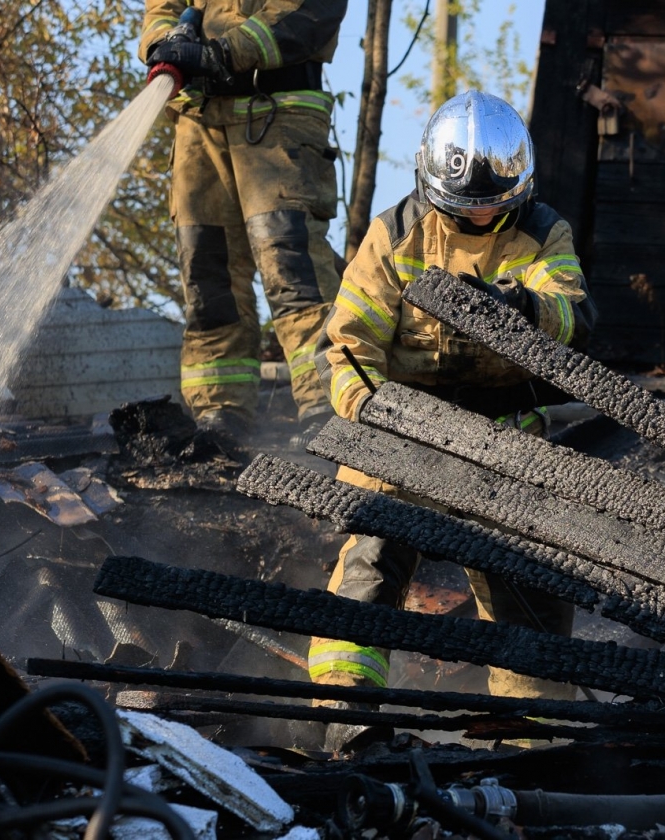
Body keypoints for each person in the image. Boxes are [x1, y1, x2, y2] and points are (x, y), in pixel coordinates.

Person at [307, 91, 599, 724]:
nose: (478, 218)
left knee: (531, 592)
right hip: (402, 435)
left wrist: (524, 312)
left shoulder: (545, 233)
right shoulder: (392, 235)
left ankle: (532, 747)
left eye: (493, 207)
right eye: (464, 209)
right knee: (369, 563)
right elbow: (348, 344)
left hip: (505, 442)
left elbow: (577, 318)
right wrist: (371, 413)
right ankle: (343, 717)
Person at [138, 0, 345, 445]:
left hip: (279, 113)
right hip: (198, 122)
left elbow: (310, 11)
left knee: (291, 264)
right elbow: (162, 7)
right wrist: (163, 42)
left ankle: (330, 408)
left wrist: (222, 52)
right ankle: (219, 412)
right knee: (207, 273)